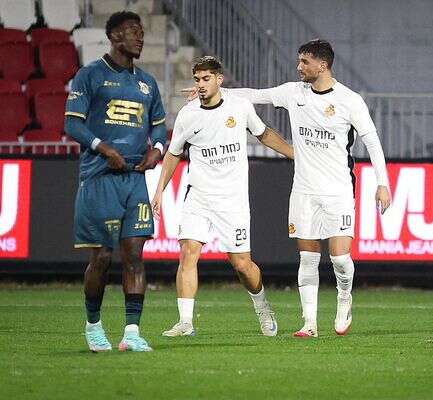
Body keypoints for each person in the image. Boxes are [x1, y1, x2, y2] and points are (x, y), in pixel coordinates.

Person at [186, 39, 391, 337]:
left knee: (339, 258)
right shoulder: (294, 92)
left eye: (305, 62)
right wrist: (215, 91)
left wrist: (382, 183)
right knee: (307, 258)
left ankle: (344, 296)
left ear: (322, 65)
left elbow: (372, 141)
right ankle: (309, 323)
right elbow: (256, 95)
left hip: (338, 190)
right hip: (304, 190)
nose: (299, 67)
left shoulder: (349, 100)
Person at [152, 56, 294, 337]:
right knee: (188, 253)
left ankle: (262, 306)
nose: (201, 85)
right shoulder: (188, 114)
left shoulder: (239, 107)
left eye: (206, 79)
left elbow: (263, 134)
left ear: (219, 80)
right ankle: (185, 322)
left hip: (232, 200)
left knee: (242, 265)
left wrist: (294, 154)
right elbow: (173, 153)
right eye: (197, 80)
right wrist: (159, 190)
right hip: (199, 195)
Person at [64, 11, 167, 352]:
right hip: (100, 177)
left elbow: (158, 126)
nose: (140, 37)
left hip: (135, 179)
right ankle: (93, 326)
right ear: (114, 36)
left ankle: (132, 333)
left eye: (141, 31)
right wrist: (103, 147)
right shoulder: (90, 74)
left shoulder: (147, 83)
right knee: (102, 258)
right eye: (133, 31)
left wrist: (158, 150)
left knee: (135, 254)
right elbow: (73, 124)